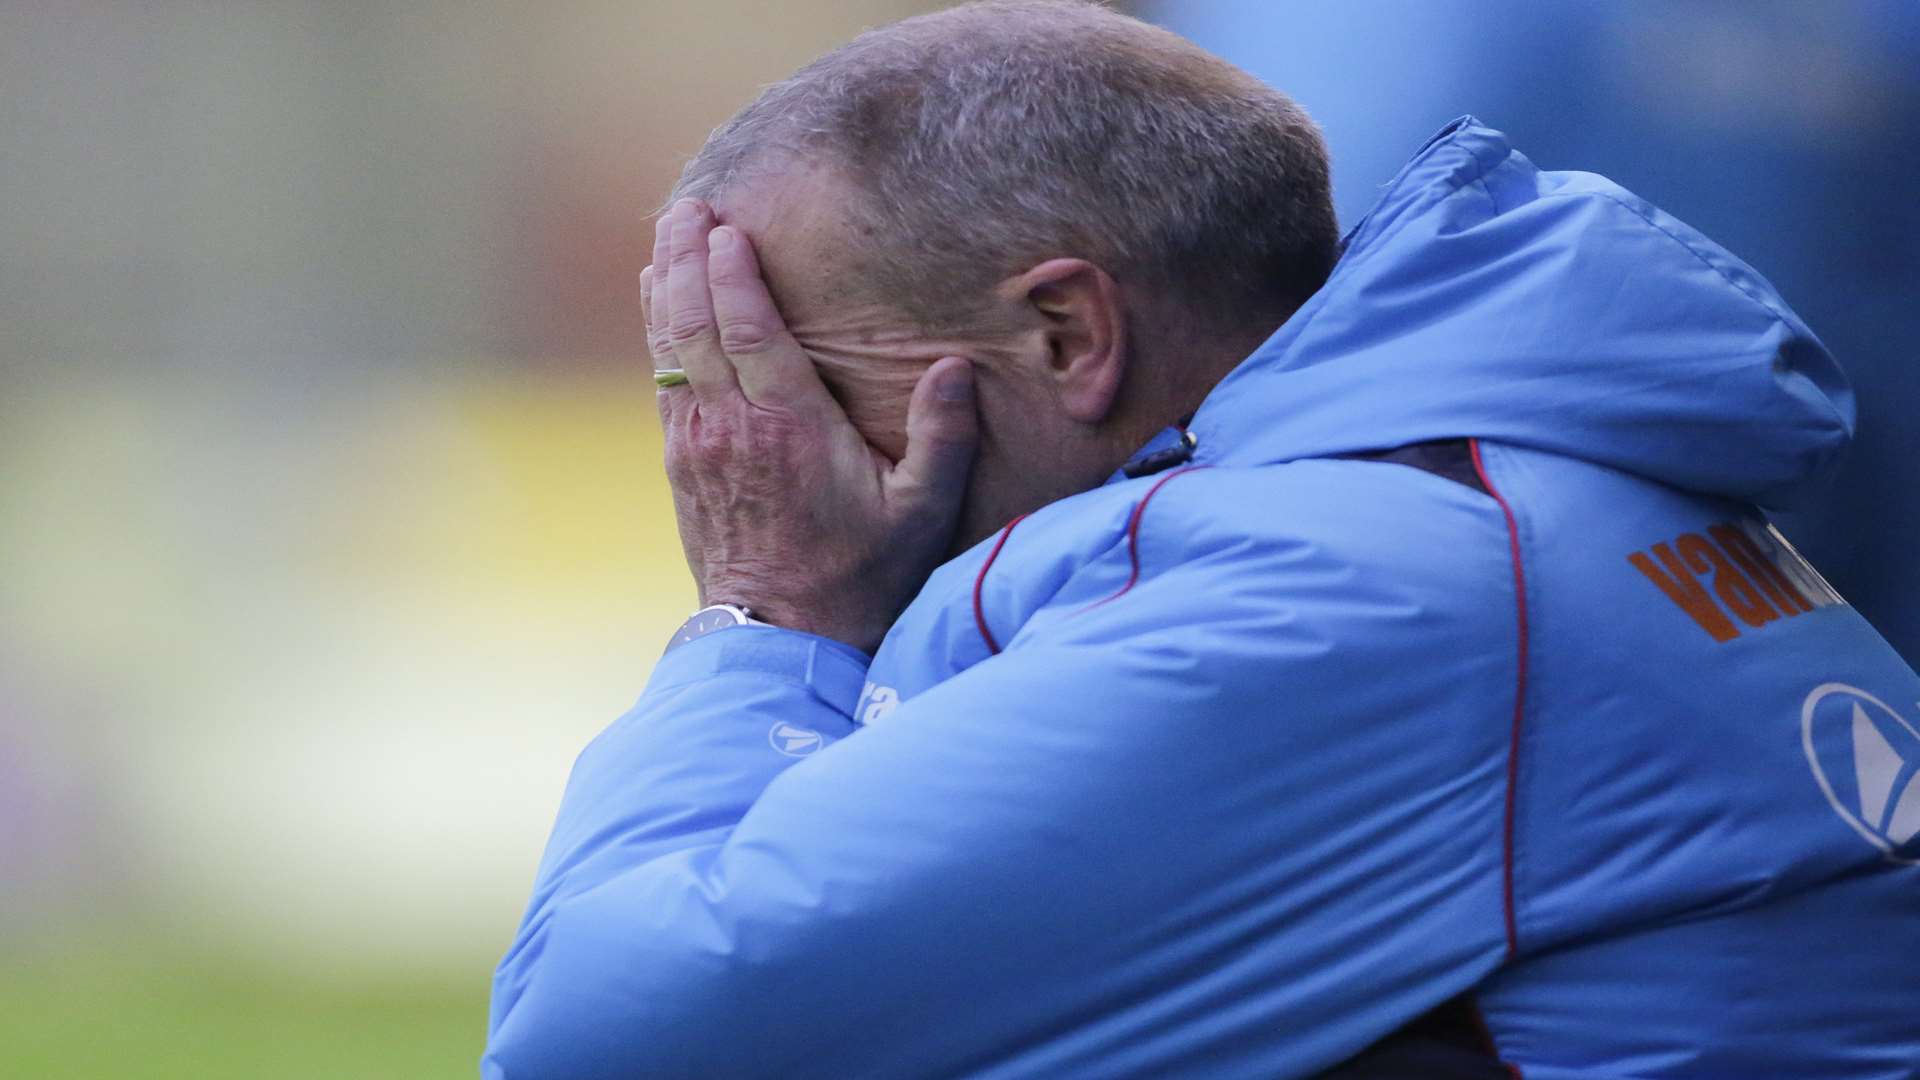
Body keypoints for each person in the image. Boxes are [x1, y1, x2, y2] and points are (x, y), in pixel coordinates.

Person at [484, 2, 1920, 1076]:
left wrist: (768, 610)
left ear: (1066, 332)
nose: (754, 449)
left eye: (807, 373)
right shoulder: (1491, 500)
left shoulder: (1349, 591)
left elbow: (605, 1042)